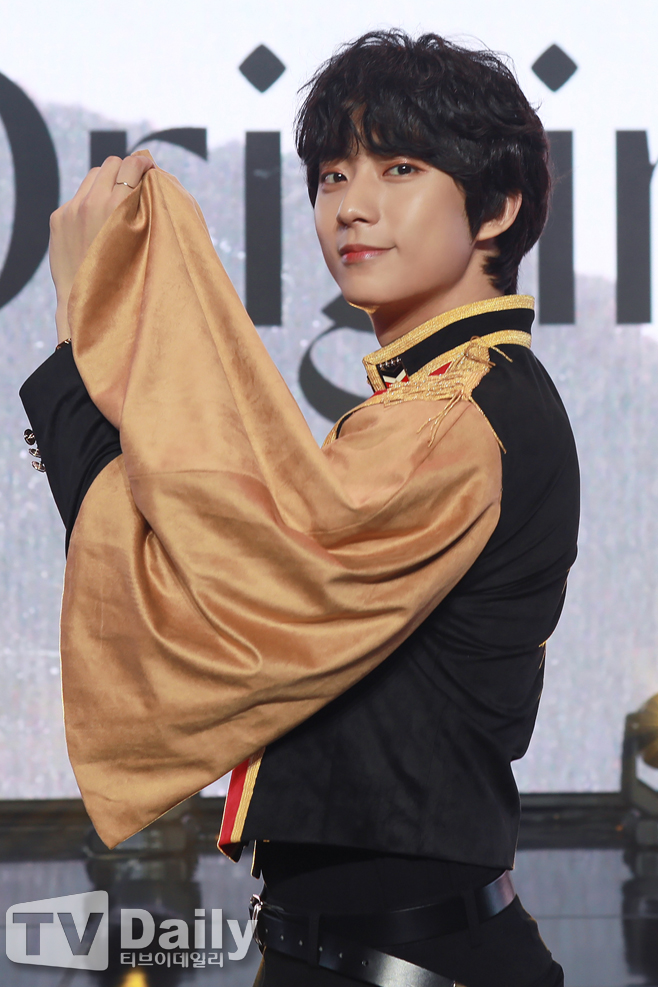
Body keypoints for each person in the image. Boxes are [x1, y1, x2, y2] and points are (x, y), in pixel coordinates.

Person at [21, 29, 578, 987]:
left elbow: (228, 599)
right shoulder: (442, 400)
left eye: (399, 168)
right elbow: (236, 565)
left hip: (407, 960)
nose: (351, 206)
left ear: (498, 207)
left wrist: (86, 334)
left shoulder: (454, 413)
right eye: (331, 176)